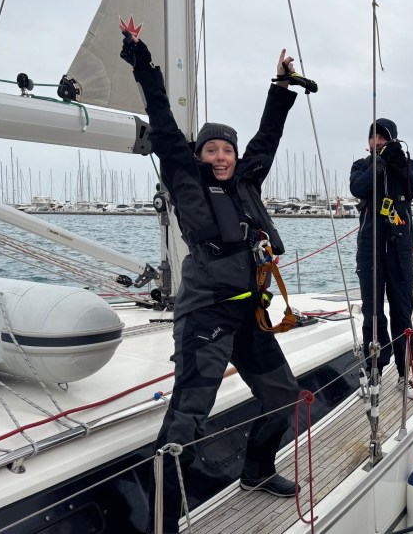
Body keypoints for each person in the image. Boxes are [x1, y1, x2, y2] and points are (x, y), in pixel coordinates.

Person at [120, 32, 301, 531]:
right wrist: (142, 61)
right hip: (206, 314)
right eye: (211, 149)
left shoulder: (246, 182)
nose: (220, 156)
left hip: (250, 311)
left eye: (227, 150)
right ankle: (162, 521)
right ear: (198, 154)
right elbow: (162, 122)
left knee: (283, 396)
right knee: (188, 416)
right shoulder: (185, 178)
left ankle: (257, 471)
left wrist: (280, 88)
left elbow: (267, 138)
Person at [349, 118, 413, 398]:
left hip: (399, 248)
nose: (377, 142)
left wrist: (400, 165)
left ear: (393, 140)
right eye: (373, 137)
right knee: (372, 312)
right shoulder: (362, 166)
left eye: (383, 137)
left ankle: (404, 373)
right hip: (369, 247)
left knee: (401, 310)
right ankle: (375, 369)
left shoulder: (408, 165)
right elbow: (357, 189)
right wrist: (379, 165)